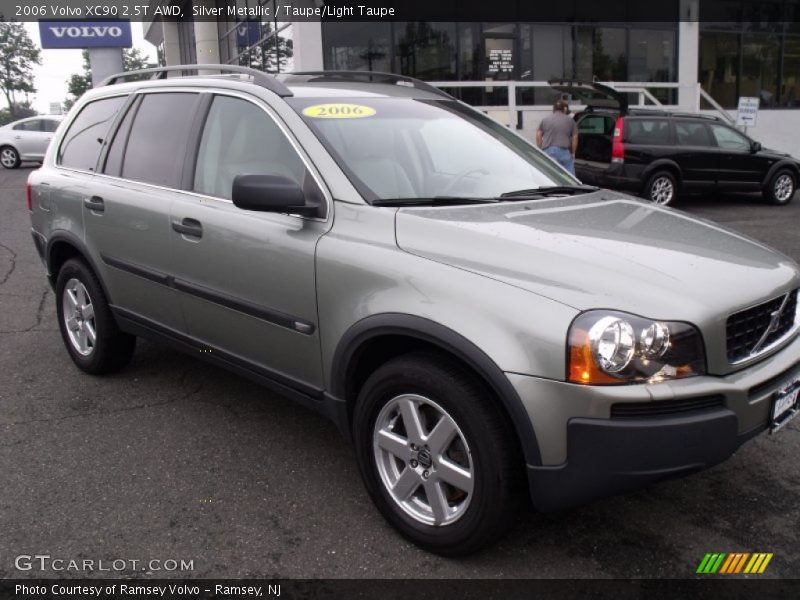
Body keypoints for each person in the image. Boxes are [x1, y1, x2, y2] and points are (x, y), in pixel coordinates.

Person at [536, 99, 578, 174]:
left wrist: (540, 149)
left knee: (548, 174)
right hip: (563, 151)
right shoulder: (570, 121)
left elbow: (538, 135)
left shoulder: (545, 120)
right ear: (564, 109)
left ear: (554, 109)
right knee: (570, 177)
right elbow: (575, 137)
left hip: (548, 151)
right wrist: (573, 153)